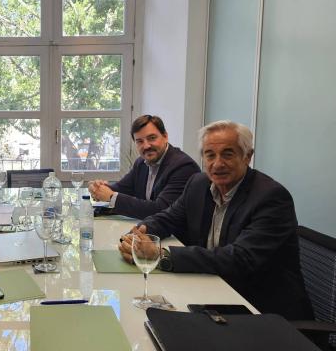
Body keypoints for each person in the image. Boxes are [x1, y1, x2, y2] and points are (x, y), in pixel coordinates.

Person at [119, 120, 313, 319]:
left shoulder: (271, 198)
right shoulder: (199, 184)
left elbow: (239, 259)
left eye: (227, 154)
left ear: (247, 156)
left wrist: (162, 255)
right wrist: (139, 234)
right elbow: (169, 218)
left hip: (262, 311)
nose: (217, 164)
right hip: (211, 294)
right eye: (210, 155)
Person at [88, 115, 199, 219]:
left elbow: (160, 210)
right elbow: (121, 189)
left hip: (176, 233)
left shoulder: (183, 167)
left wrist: (111, 197)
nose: (146, 146)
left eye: (152, 138)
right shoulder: (141, 163)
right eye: (140, 141)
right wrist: (99, 189)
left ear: (165, 136)